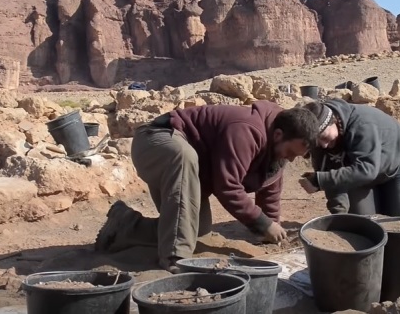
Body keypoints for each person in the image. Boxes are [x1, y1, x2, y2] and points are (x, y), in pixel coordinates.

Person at [94, 100, 320, 272]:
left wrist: (268, 228)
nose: (291, 159)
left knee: (197, 229)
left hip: (185, 169)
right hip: (156, 141)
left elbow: (270, 186)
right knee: (184, 156)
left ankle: (125, 226)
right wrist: (262, 223)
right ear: (278, 135)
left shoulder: (278, 144)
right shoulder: (247, 129)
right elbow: (228, 187)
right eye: (290, 152)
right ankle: (175, 259)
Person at [297, 98, 400, 216]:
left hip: (397, 165)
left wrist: (319, 180)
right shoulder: (319, 142)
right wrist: (338, 214)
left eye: (324, 137)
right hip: (359, 174)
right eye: (317, 141)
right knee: (362, 221)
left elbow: (367, 170)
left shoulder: (362, 125)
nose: (323, 145)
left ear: (334, 121)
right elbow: (332, 178)